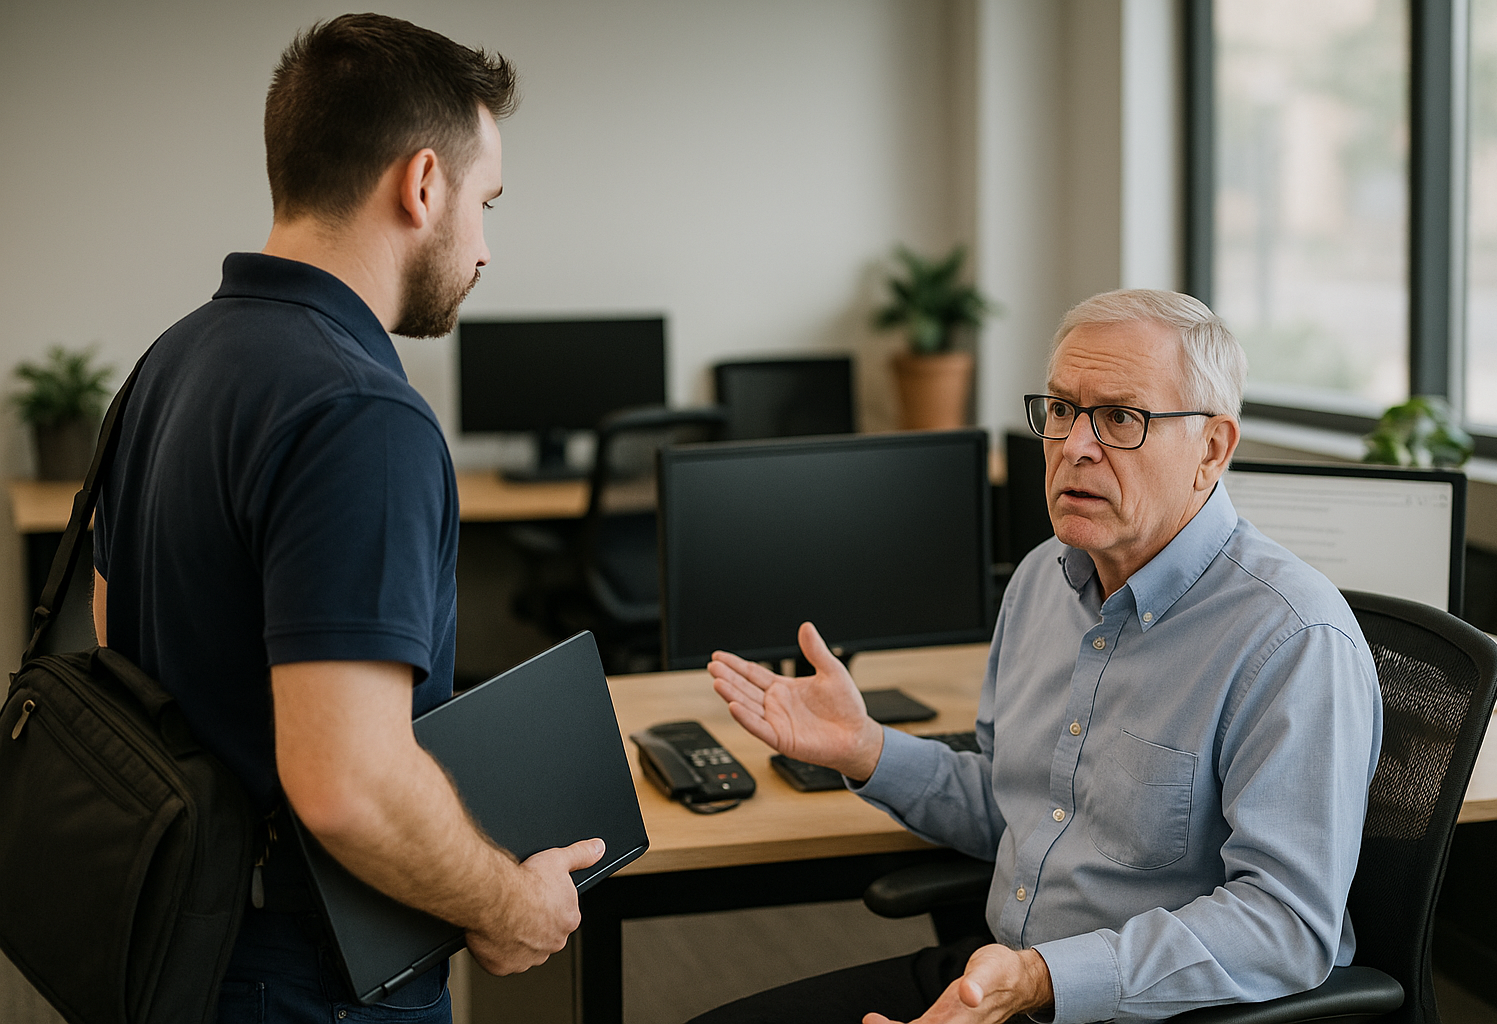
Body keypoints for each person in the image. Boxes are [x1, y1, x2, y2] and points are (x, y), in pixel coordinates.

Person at [90, 14, 603, 1022]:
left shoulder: (174, 358)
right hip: (305, 973)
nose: (487, 249)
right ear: (421, 184)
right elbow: (347, 784)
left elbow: (117, 633)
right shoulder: (360, 413)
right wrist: (511, 903)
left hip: (170, 941)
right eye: (484, 203)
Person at [696, 289, 1384, 1024]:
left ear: (1211, 449)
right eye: (1061, 411)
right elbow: (1014, 808)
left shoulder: (1292, 638)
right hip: (997, 982)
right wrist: (864, 749)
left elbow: (1285, 926)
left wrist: (1041, 979)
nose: (1076, 447)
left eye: (1121, 418)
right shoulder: (1041, 579)